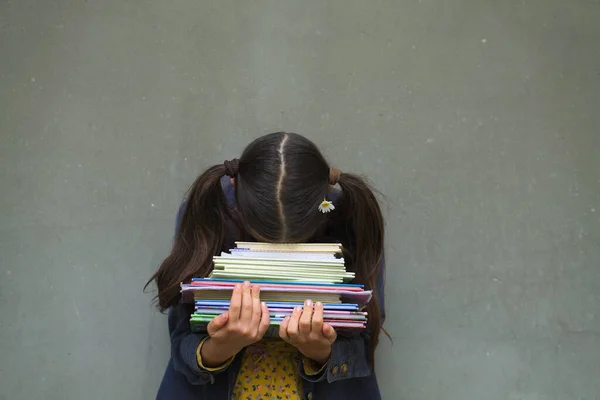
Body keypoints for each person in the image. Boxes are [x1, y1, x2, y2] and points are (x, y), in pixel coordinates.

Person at [147, 132, 386, 400]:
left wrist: (319, 351)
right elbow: (180, 336)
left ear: (323, 205)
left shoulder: (351, 218)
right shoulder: (208, 212)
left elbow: (366, 340)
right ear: (238, 204)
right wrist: (221, 347)